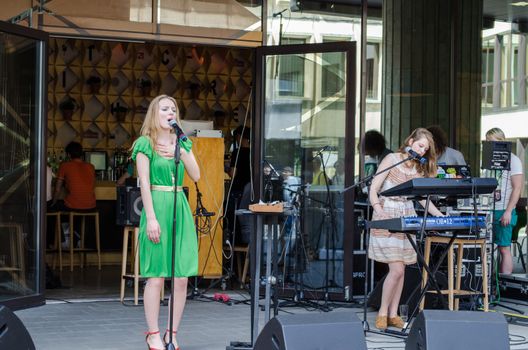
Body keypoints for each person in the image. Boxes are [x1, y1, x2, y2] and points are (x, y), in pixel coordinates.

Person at [131, 95, 200, 350]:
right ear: (154, 113)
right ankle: (153, 333)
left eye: (173, 108)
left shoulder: (181, 141)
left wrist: (179, 148)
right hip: (157, 205)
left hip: (179, 203)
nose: (170, 111)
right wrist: (150, 218)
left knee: (181, 277)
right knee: (157, 277)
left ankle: (173, 332)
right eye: (164, 108)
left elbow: (196, 174)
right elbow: (144, 184)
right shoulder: (144, 144)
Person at [368, 128, 444, 331]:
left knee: (401, 270)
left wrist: (439, 216)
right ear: (410, 141)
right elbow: (374, 188)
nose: (422, 151)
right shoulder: (392, 159)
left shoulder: (419, 168)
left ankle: (393, 314)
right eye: (420, 146)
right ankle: (383, 312)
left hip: (406, 215)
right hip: (387, 213)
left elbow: (421, 198)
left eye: (425, 149)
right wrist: (378, 209)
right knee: (397, 269)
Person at [485, 128, 523, 274]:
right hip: (490, 208)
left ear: (501, 141)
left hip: (504, 209)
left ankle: (504, 284)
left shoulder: (513, 160)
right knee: (487, 247)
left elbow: (517, 188)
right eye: (488, 142)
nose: (490, 145)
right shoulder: (489, 159)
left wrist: (508, 211)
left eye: (492, 142)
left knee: (503, 248)